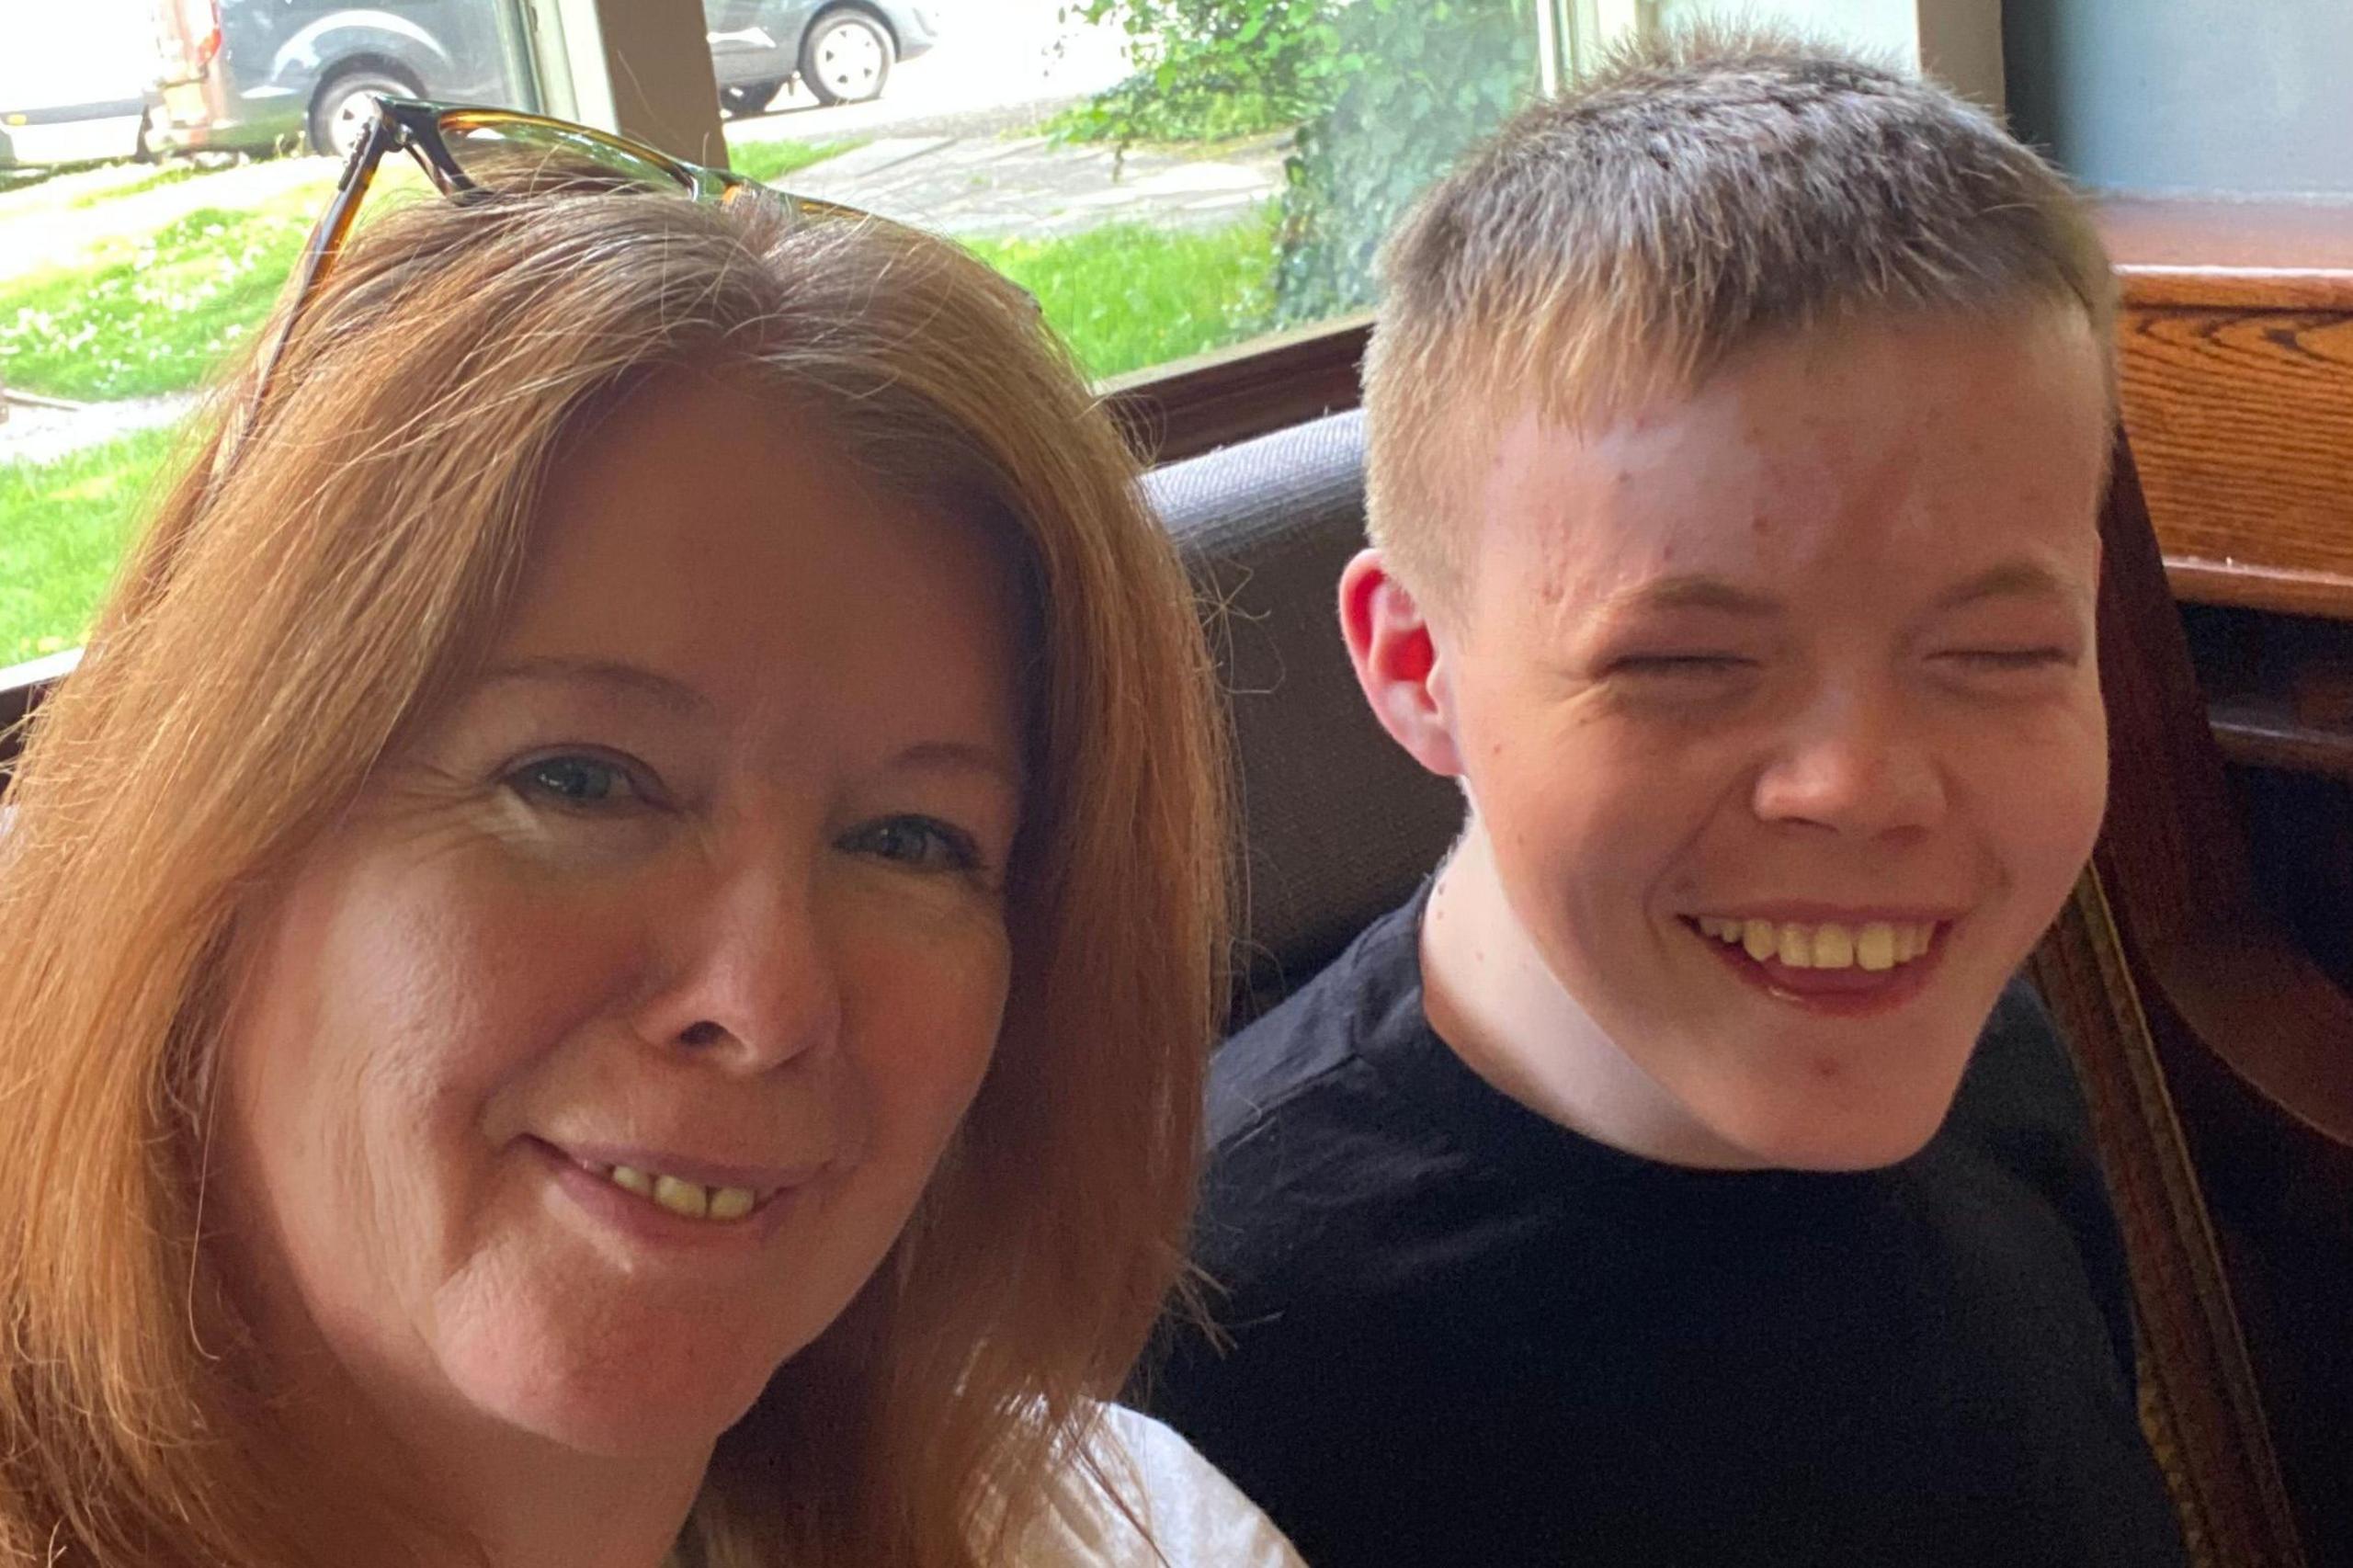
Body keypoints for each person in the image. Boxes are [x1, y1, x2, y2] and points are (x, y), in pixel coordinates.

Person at [0, 108, 1299, 1568]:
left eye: (913, 841)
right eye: (580, 780)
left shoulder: (1127, 1536)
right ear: (202, 843)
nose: (764, 1002)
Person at [1139, 30, 2189, 1568]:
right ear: (1419, 664)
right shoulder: (1184, 1377)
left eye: (2000, 650)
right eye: (1685, 662)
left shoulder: (1981, 1045)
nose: (1860, 789)